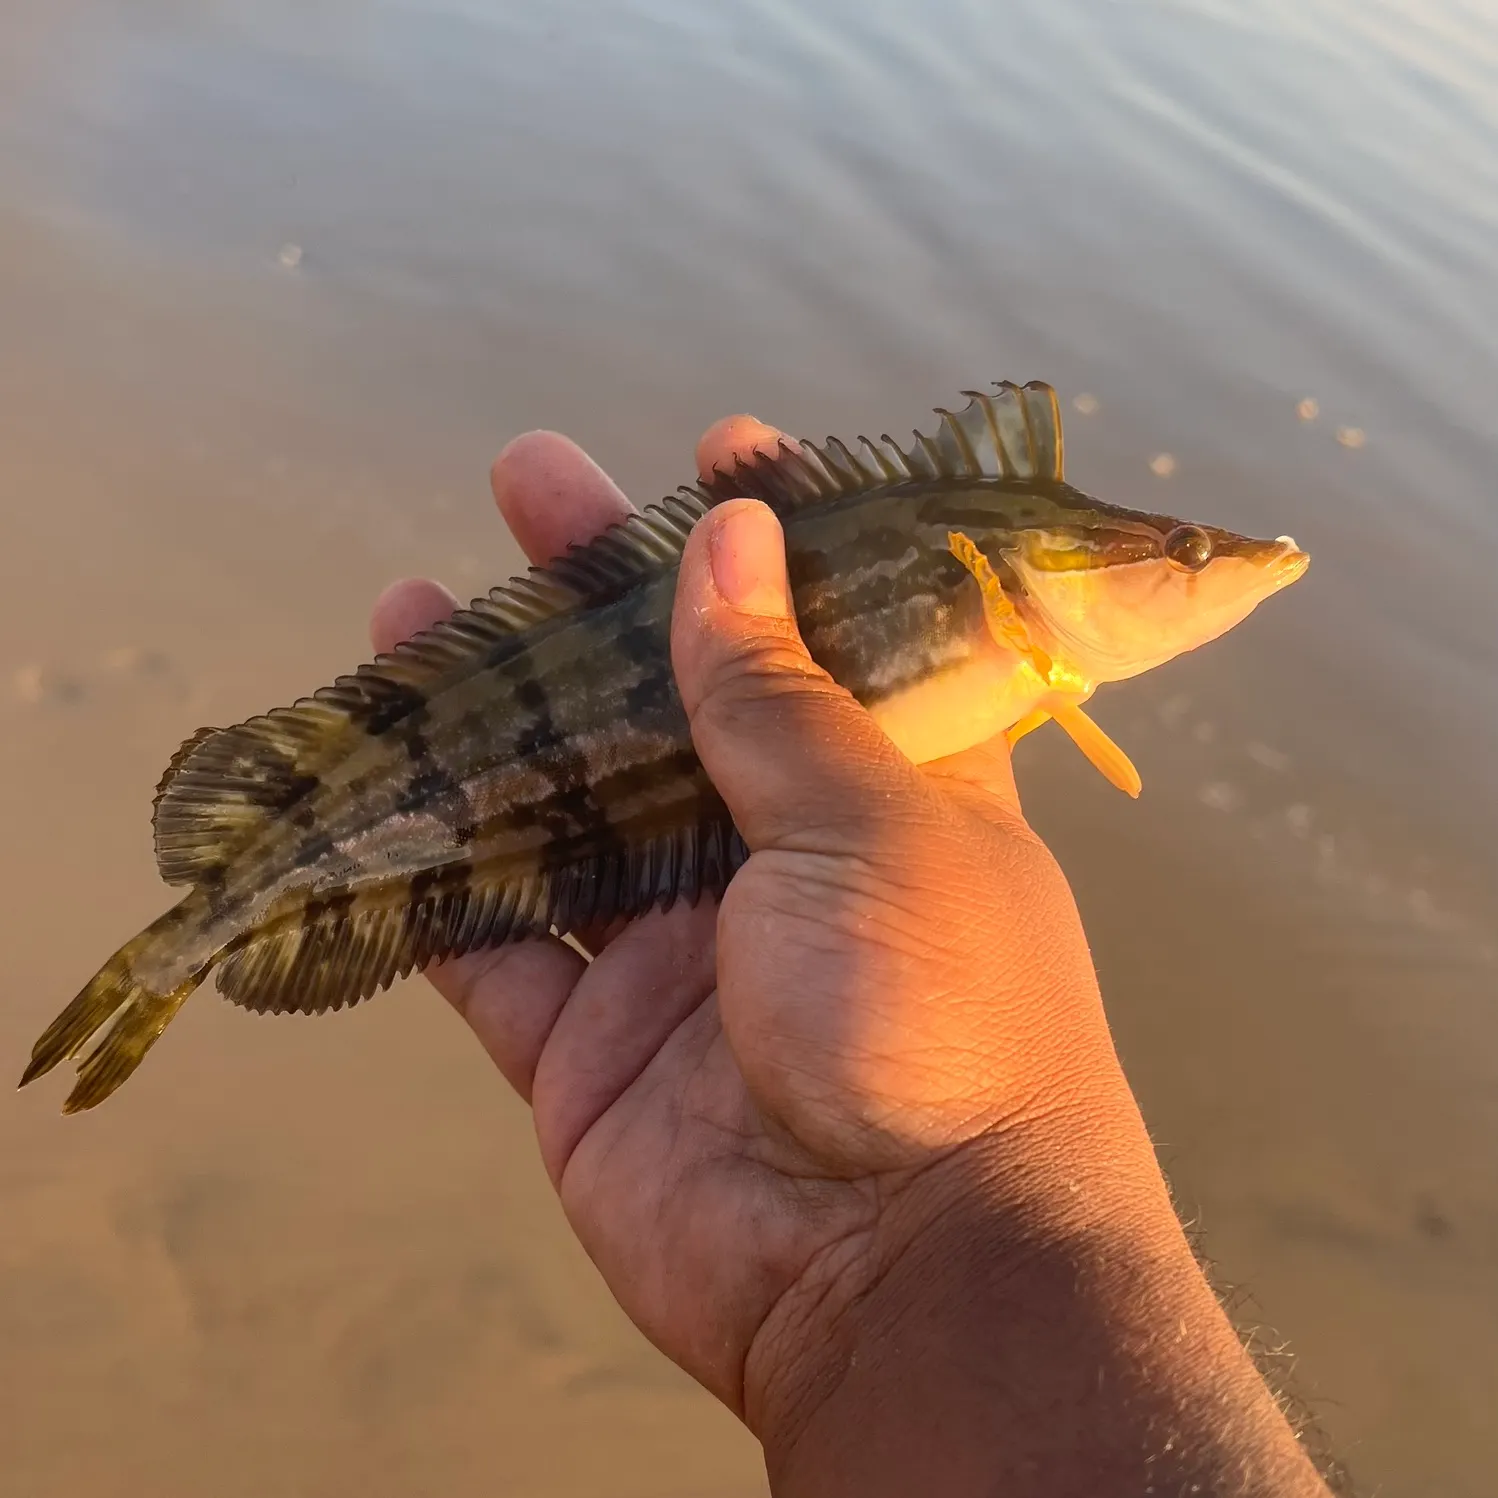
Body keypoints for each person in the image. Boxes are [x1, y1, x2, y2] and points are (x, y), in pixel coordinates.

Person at [369, 416, 1339, 1497]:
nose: (1210, 564)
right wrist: (932, 1207)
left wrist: (933, 1197)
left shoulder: (1030, 633)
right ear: (1031, 570)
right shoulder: (997, 594)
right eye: (1186, 550)